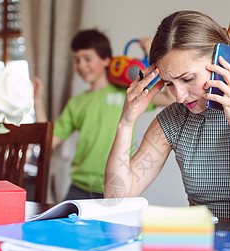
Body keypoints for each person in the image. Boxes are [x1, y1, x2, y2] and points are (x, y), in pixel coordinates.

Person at [104, 11, 230, 221]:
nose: (179, 97)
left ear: (222, 62)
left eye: (188, 78)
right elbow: (116, 199)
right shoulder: (172, 120)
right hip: (200, 246)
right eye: (170, 84)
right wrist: (126, 122)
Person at [33, 29, 173, 200]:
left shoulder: (129, 93)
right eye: (76, 60)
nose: (81, 65)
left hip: (117, 187)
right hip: (78, 189)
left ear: (107, 60)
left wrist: (153, 52)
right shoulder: (76, 103)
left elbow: (169, 98)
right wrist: (37, 101)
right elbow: (48, 141)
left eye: (87, 59)